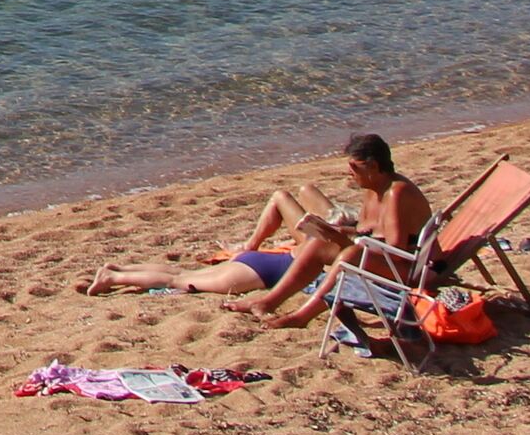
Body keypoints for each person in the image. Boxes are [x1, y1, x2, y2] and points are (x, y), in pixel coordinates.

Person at [75, 135, 432, 323]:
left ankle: (117, 273)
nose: (348, 175)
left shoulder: (395, 193)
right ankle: (116, 275)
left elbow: (394, 248)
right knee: (182, 278)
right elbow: (375, 241)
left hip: (275, 263)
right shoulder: (378, 190)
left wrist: (341, 239)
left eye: (353, 169)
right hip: (274, 264)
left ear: (372, 166)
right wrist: (340, 235)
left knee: (184, 277)